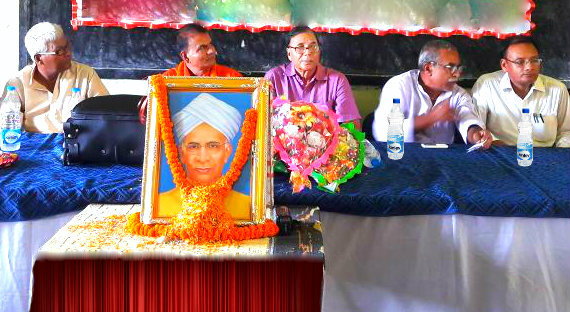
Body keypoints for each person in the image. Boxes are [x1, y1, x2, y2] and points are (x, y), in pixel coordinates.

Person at [372, 40, 492, 147]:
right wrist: (429, 119)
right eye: (450, 67)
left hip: (443, 159)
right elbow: (383, 132)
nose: (457, 74)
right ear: (428, 68)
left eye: (458, 68)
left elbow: (468, 119)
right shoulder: (398, 87)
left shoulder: (458, 94)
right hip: (404, 158)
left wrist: (476, 134)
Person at [0, 22, 108, 133]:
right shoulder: (17, 84)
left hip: (75, 143)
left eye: (67, 46)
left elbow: (107, 115)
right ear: (38, 58)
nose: (68, 53)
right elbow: (6, 127)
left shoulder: (85, 75)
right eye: (60, 51)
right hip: (34, 147)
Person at [158, 93, 251, 220]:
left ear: (227, 152)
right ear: (181, 153)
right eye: (193, 146)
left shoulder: (247, 206)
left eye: (213, 146)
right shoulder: (160, 205)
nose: (203, 158)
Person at [472, 36, 570, 147]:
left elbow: (566, 132)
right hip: (500, 154)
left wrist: (560, 156)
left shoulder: (557, 90)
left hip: (545, 156)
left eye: (534, 61)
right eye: (520, 62)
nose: (529, 67)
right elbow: (476, 128)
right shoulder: (487, 85)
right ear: (504, 65)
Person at [138, 23, 241, 123]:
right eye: (202, 47)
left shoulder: (232, 78)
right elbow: (147, 118)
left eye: (211, 45)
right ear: (185, 56)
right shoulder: (167, 80)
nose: (212, 51)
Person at [264, 26, 361, 128]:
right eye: (300, 47)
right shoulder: (273, 78)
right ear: (289, 53)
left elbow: (351, 126)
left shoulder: (337, 81)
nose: (307, 53)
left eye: (313, 47)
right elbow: (263, 123)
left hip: (326, 141)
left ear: (319, 51)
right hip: (283, 142)